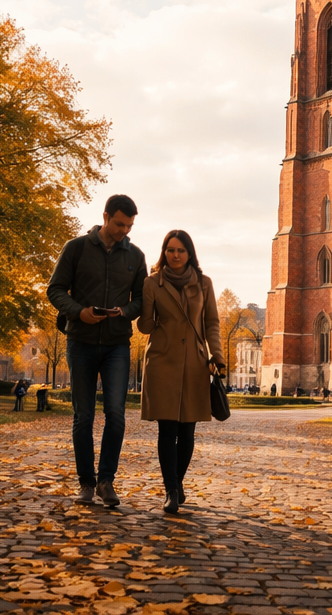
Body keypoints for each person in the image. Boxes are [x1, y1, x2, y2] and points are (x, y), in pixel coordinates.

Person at [46, 194, 148, 508]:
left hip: (117, 344)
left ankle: (106, 481)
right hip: (81, 342)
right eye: (119, 224)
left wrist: (124, 312)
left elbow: (142, 300)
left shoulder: (136, 255)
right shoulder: (75, 248)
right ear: (105, 217)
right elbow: (55, 289)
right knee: (83, 417)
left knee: (116, 415)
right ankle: (86, 483)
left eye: (129, 226)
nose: (124, 231)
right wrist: (79, 312)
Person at [138, 229, 225, 515]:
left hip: (195, 364)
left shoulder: (204, 283)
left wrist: (217, 357)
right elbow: (145, 327)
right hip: (163, 362)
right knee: (167, 430)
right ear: (163, 252)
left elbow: (211, 322)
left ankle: (178, 481)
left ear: (190, 254)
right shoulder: (152, 283)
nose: (174, 255)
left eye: (180, 250)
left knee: (188, 431)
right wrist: (145, 308)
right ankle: (171, 490)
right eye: (170, 250)